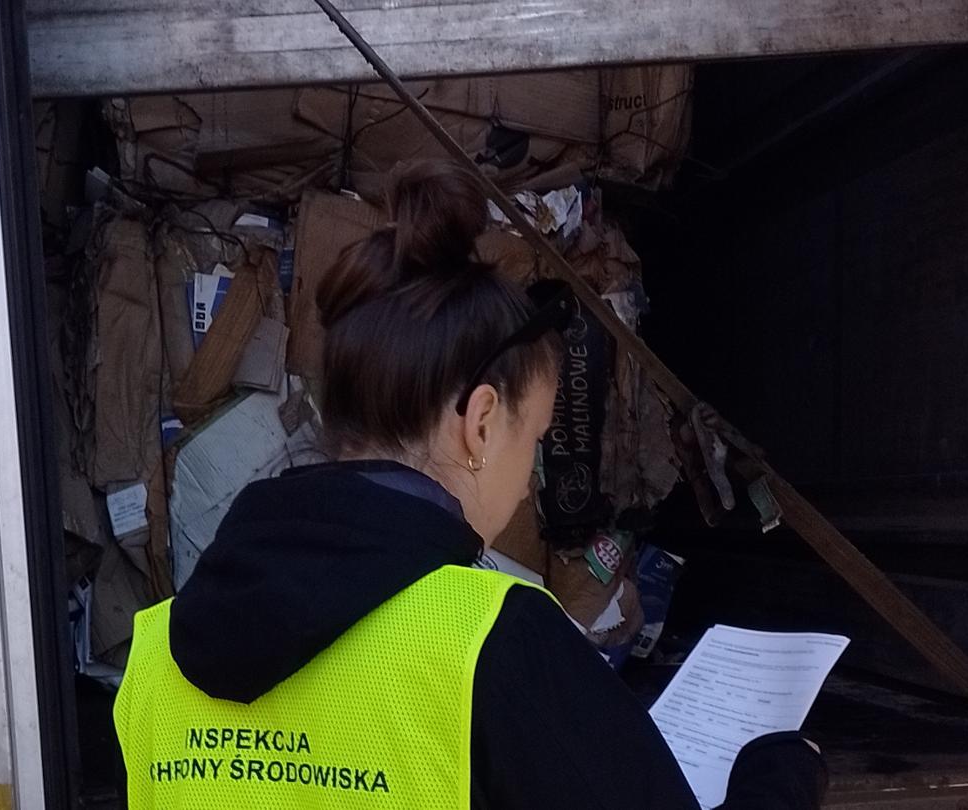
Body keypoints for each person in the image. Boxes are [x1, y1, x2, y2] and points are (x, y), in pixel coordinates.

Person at [114, 161, 828, 809]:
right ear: (481, 424)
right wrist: (781, 776)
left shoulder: (152, 660)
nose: (525, 490)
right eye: (534, 442)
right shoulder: (496, 640)